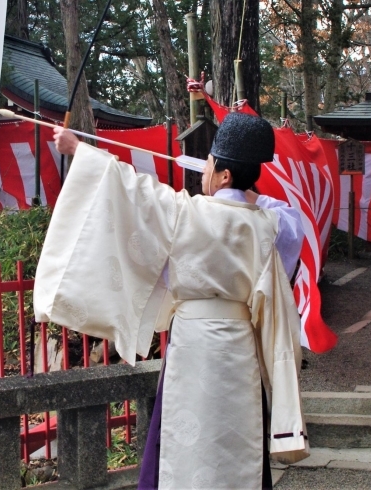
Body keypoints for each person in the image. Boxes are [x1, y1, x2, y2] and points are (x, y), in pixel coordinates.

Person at [33, 112, 309, 489]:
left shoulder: (184, 211)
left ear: (224, 174)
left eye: (210, 166)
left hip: (193, 344)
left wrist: (77, 148)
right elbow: (291, 226)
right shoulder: (271, 222)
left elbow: (128, 187)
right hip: (239, 346)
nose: (203, 173)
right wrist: (243, 189)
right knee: (239, 436)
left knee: (181, 438)